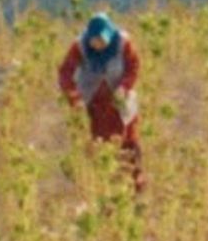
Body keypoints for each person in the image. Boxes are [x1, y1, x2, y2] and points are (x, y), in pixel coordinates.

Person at [58, 11, 144, 187]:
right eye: (95, 41)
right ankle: (101, 184)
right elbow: (65, 72)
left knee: (127, 141)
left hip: (119, 101)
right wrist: (74, 97)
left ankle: (133, 184)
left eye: (102, 40)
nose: (98, 45)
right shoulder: (79, 46)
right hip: (93, 103)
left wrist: (124, 87)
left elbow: (133, 66)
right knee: (97, 142)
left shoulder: (123, 43)